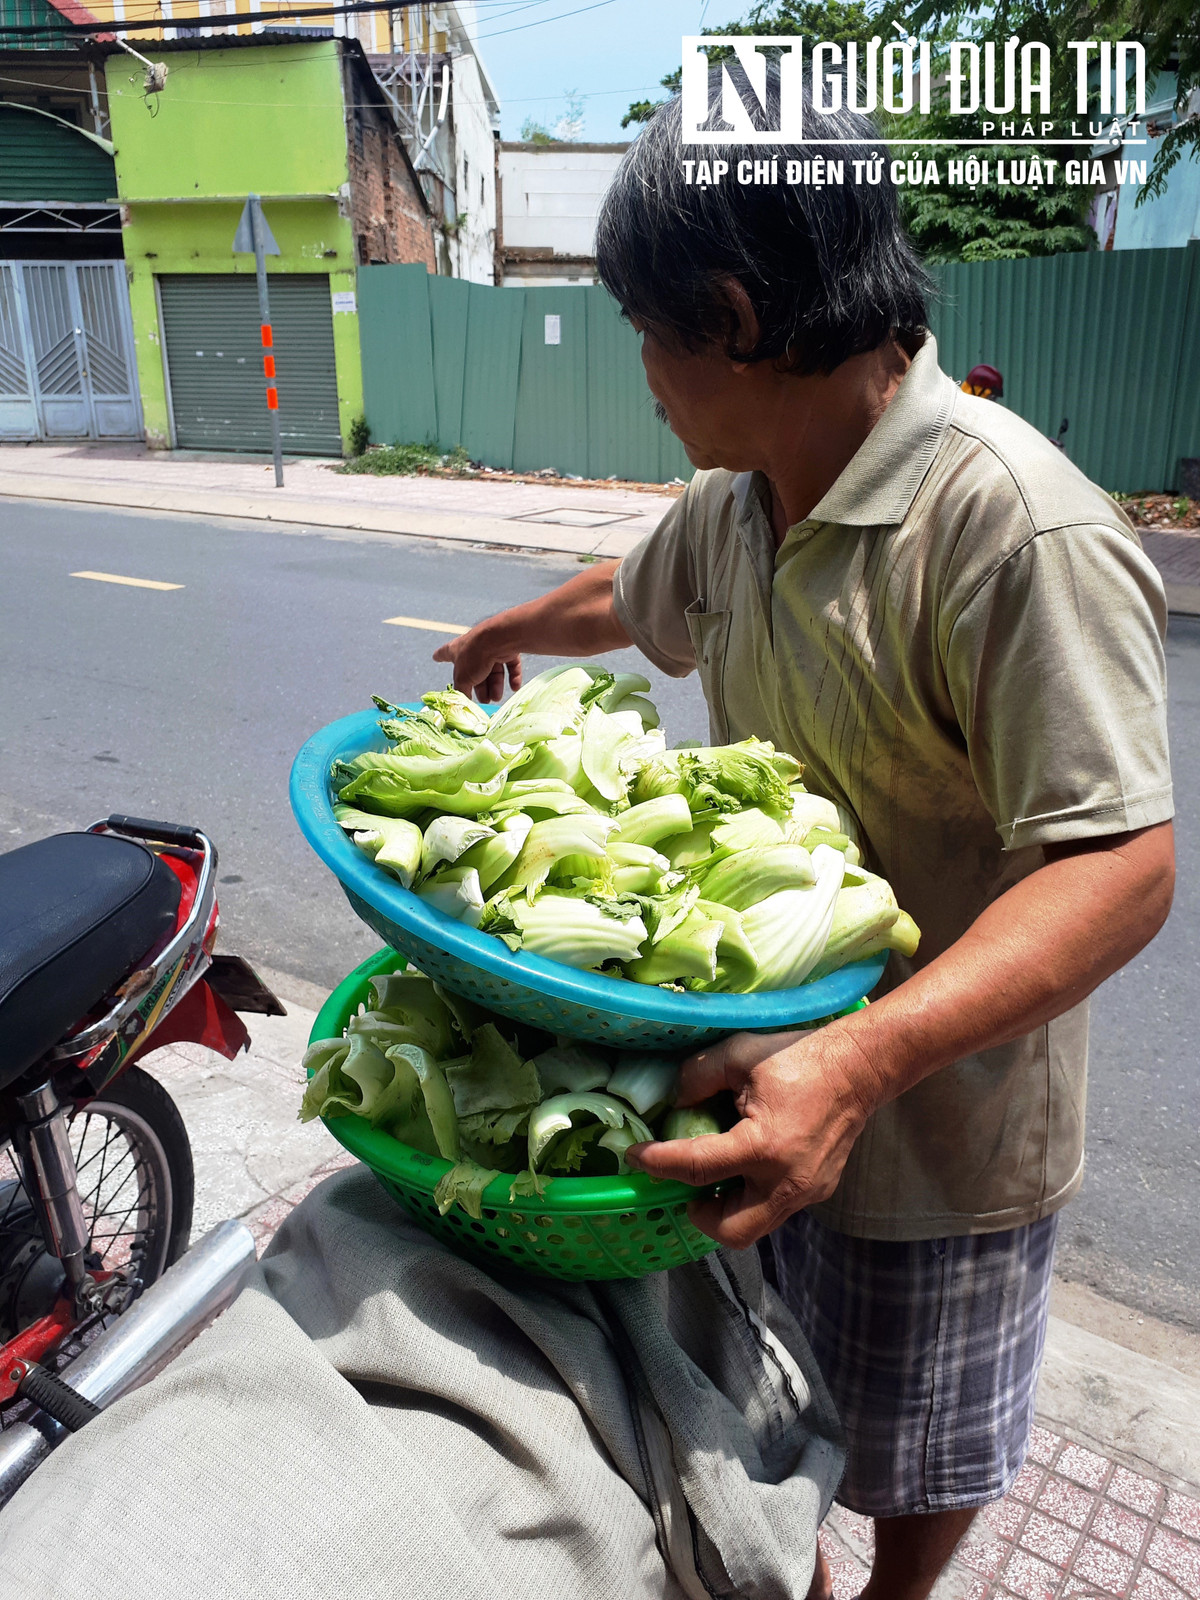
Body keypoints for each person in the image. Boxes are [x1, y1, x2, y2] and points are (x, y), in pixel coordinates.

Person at [434, 90, 1174, 1600]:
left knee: (922, 1444)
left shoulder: (1013, 531)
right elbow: (633, 594)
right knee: (777, 1403)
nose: (641, 370)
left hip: (940, 1128)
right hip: (758, 1091)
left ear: (733, 315)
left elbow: (1124, 868)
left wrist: (857, 1061)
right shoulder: (741, 503)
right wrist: (510, 629)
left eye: (647, 328)